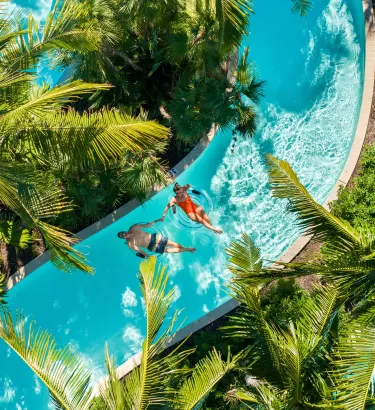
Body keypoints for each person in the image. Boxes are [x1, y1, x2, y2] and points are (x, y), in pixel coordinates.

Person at [117, 220, 196, 257]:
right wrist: (149, 257)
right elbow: (140, 250)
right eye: (122, 236)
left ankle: (187, 248)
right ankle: (188, 249)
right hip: (151, 246)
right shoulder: (129, 243)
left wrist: (156, 221)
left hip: (155, 238)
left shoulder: (134, 227)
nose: (124, 235)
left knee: (172, 243)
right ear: (123, 238)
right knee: (168, 250)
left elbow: (147, 225)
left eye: (123, 233)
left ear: (124, 231)